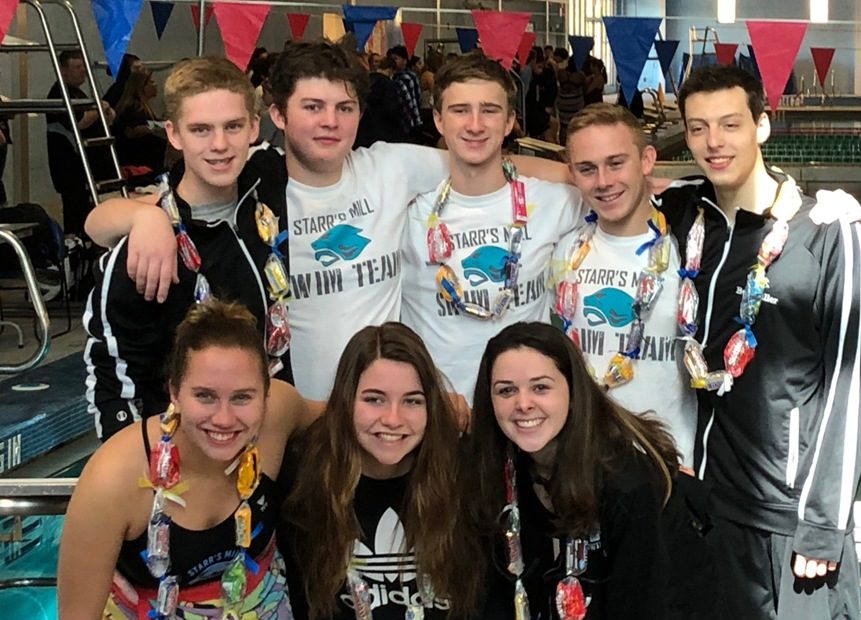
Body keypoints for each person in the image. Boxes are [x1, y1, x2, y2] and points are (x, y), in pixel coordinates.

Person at [85, 40, 570, 403]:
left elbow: (485, 160)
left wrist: (584, 174)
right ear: (275, 115)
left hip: (382, 412)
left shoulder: (390, 168)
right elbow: (100, 222)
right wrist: (141, 218)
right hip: (294, 411)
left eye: (344, 108)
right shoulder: (255, 180)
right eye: (312, 108)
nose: (329, 123)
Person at [661, 65, 861, 620]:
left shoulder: (828, 230)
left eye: (730, 124)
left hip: (796, 503)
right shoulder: (682, 215)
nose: (714, 141)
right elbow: (599, 178)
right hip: (716, 505)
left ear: (762, 124)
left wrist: (824, 522)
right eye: (697, 128)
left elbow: (849, 382)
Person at [58, 299, 322, 620]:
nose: (224, 419)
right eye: (205, 396)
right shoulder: (114, 479)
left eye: (243, 397)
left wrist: (434, 406)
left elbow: (355, 420)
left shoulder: (278, 415)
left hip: (253, 615)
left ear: (266, 394)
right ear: (174, 393)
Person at [466, 321, 721, 620]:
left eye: (540, 387)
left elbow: (640, 619)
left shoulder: (626, 479)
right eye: (506, 390)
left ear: (573, 389)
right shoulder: (500, 467)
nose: (523, 404)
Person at [279, 322, 518, 620]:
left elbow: (502, 618)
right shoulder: (310, 476)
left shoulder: (469, 472)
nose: (393, 419)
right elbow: (306, 614)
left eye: (412, 401)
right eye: (374, 399)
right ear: (345, 402)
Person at [83, 56, 293, 441]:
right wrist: (140, 472)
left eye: (232, 126)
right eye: (200, 130)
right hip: (189, 455)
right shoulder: (146, 249)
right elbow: (116, 379)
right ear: (174, 134)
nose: (219, 145)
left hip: (271, 441)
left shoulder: (269, 184)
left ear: (254, 127)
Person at [401, 52, 583, 401]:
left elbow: (616, 197)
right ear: (438, 120)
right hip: (440, 414)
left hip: (525, 412)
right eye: (459, 110)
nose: (475, 124)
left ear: (511, 120)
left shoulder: (556, 202)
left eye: (489, 110)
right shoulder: (405, 212)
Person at [551, 102, 696, 465]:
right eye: (587, 169)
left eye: (616, 163)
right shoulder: (564, 251)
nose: (603, 181)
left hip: (672, 463)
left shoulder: (689, 249)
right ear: (572, 173)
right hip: (585, 462)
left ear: (647, 160)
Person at [46, 49, 116, 236]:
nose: (83, 71)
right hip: (70, 168)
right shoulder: (58, 94)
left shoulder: (78, 93)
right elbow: (80, 122)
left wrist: (103, 109)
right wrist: (99, 107)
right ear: (63, 70)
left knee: (86, 212)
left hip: (87, 168)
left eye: (84, 66)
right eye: (77, 67)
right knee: (75, 216)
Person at [112, 69, 166, 175]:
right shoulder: (134, 107)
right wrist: (161, 125)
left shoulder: (142, 106)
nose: (155, 85)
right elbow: (133, 130)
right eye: (151, 82)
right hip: (138, 161)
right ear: (142, 87)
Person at [387, 44, 423, 141]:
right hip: (415, 118)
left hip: (409, 121)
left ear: (404, 60)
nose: (393, 62)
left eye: (396, 58)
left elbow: (408, 102)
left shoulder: (403, 78)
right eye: (391, 59)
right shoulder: (412, 75)